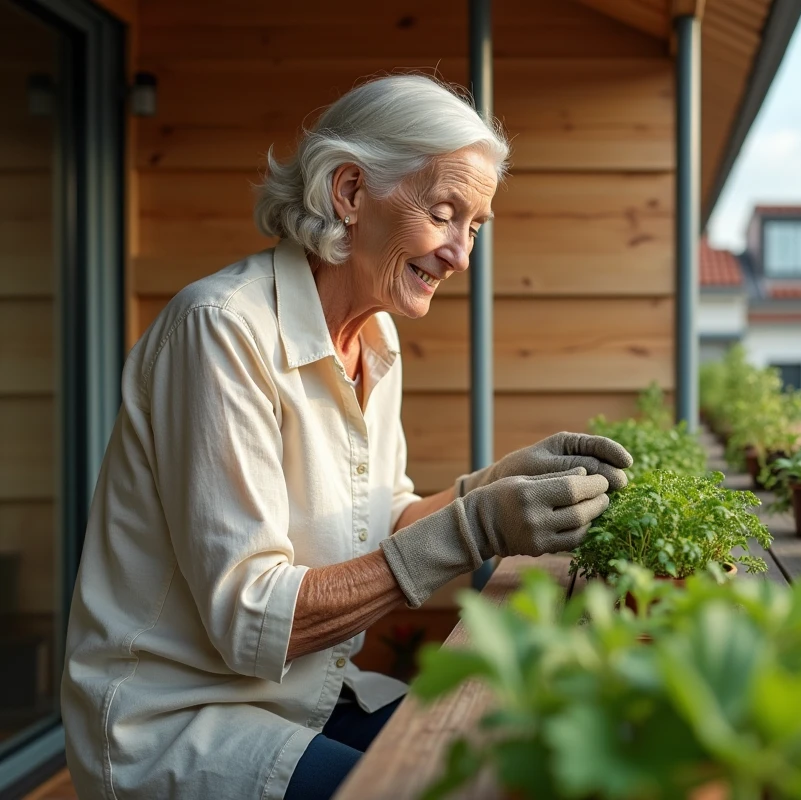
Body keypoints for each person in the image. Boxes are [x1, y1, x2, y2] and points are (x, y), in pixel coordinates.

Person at [61, 74, 632, 800]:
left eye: (476, 226)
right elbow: (250, 618)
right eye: (445, 213)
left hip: (305, 697)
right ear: (351, 193)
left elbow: (384, 523)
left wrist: (496, 485)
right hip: (177, 721)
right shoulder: (221, 331)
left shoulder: (376, 340)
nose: (460, 253)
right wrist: (477, 526)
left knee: (508, 756)